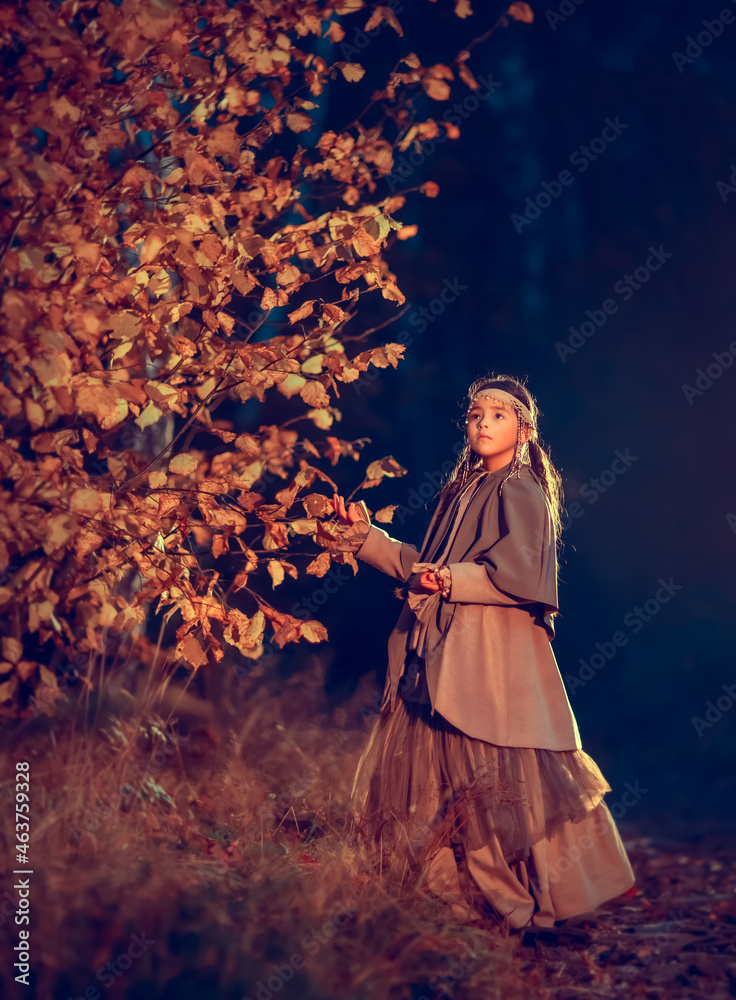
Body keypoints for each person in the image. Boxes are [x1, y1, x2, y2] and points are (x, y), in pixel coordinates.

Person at [330, 373, 637, 930]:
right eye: (474, 416)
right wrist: (366, 536)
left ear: (523, 429)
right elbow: (426, 565)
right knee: (433, 794)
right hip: (441, 655)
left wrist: (450, 581)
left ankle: (524, 910)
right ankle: (451, 906)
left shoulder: (519, 489)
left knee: (491, 796)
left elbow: (518, 573)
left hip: (489, 664)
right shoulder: (463, 488)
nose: (482, 424)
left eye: (497, 416)